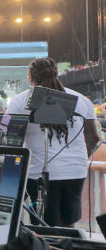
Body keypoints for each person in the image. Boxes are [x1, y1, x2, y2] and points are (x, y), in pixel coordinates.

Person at [6, 57, 101, 227]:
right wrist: (76, 158)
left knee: (44, 223)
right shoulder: (81, 99)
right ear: (55, 73)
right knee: (69, 221)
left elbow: (12, 139)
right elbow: (93, 137)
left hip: (38, 170)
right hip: (75, 170)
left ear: (30, 77)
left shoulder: (20, 101)